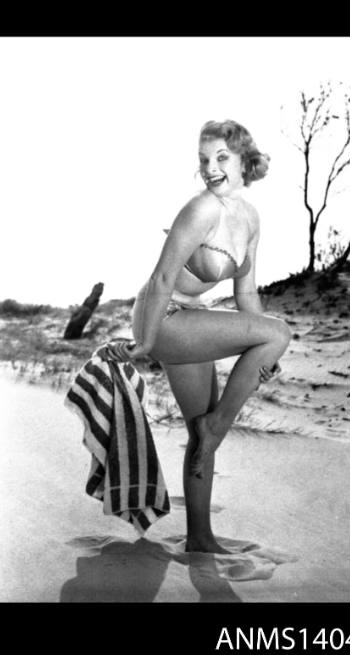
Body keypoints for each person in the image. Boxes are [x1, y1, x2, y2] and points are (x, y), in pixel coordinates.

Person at [113, 120, 291, 553]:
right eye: (204, 159)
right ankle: (218, 424)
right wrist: (147, 344)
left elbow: (245, 291)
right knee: (277, 335)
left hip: (190, 316)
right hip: (163, 315)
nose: (210, 168)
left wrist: (269, 351)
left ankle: (199, 537)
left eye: (221, 158)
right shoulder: (201, 209)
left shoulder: (249, 217)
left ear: (244, 161)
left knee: (199, 436)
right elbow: (161, 277)